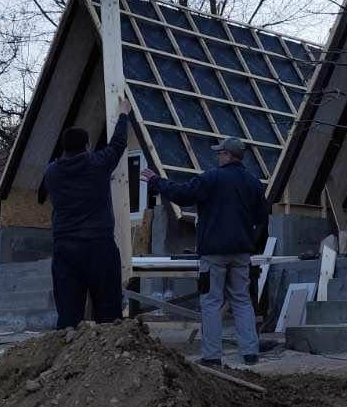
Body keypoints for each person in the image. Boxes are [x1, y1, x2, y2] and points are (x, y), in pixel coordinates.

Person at [142, 136, 268, 367]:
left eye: (220, 153)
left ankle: (212, 356)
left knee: (211, 302)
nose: (217, 156)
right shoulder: (253, 183)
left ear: (228, 155)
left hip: (214, 253)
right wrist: (251, 242)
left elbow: (182, 194)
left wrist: (155, 181)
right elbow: (261, 217)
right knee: (241, 300)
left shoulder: (212, 178)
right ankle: (250, 353)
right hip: (241, 253)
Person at [44, 94, 132, 330]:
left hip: (65, 249)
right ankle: (109, 358)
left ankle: (66, 357)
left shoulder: (52, 173)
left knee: (68, 313)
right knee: (109, 311)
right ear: (86, 146)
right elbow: (118, 144)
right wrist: (123, 114)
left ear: (64, 149)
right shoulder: (96, 164)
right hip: (98, 247)